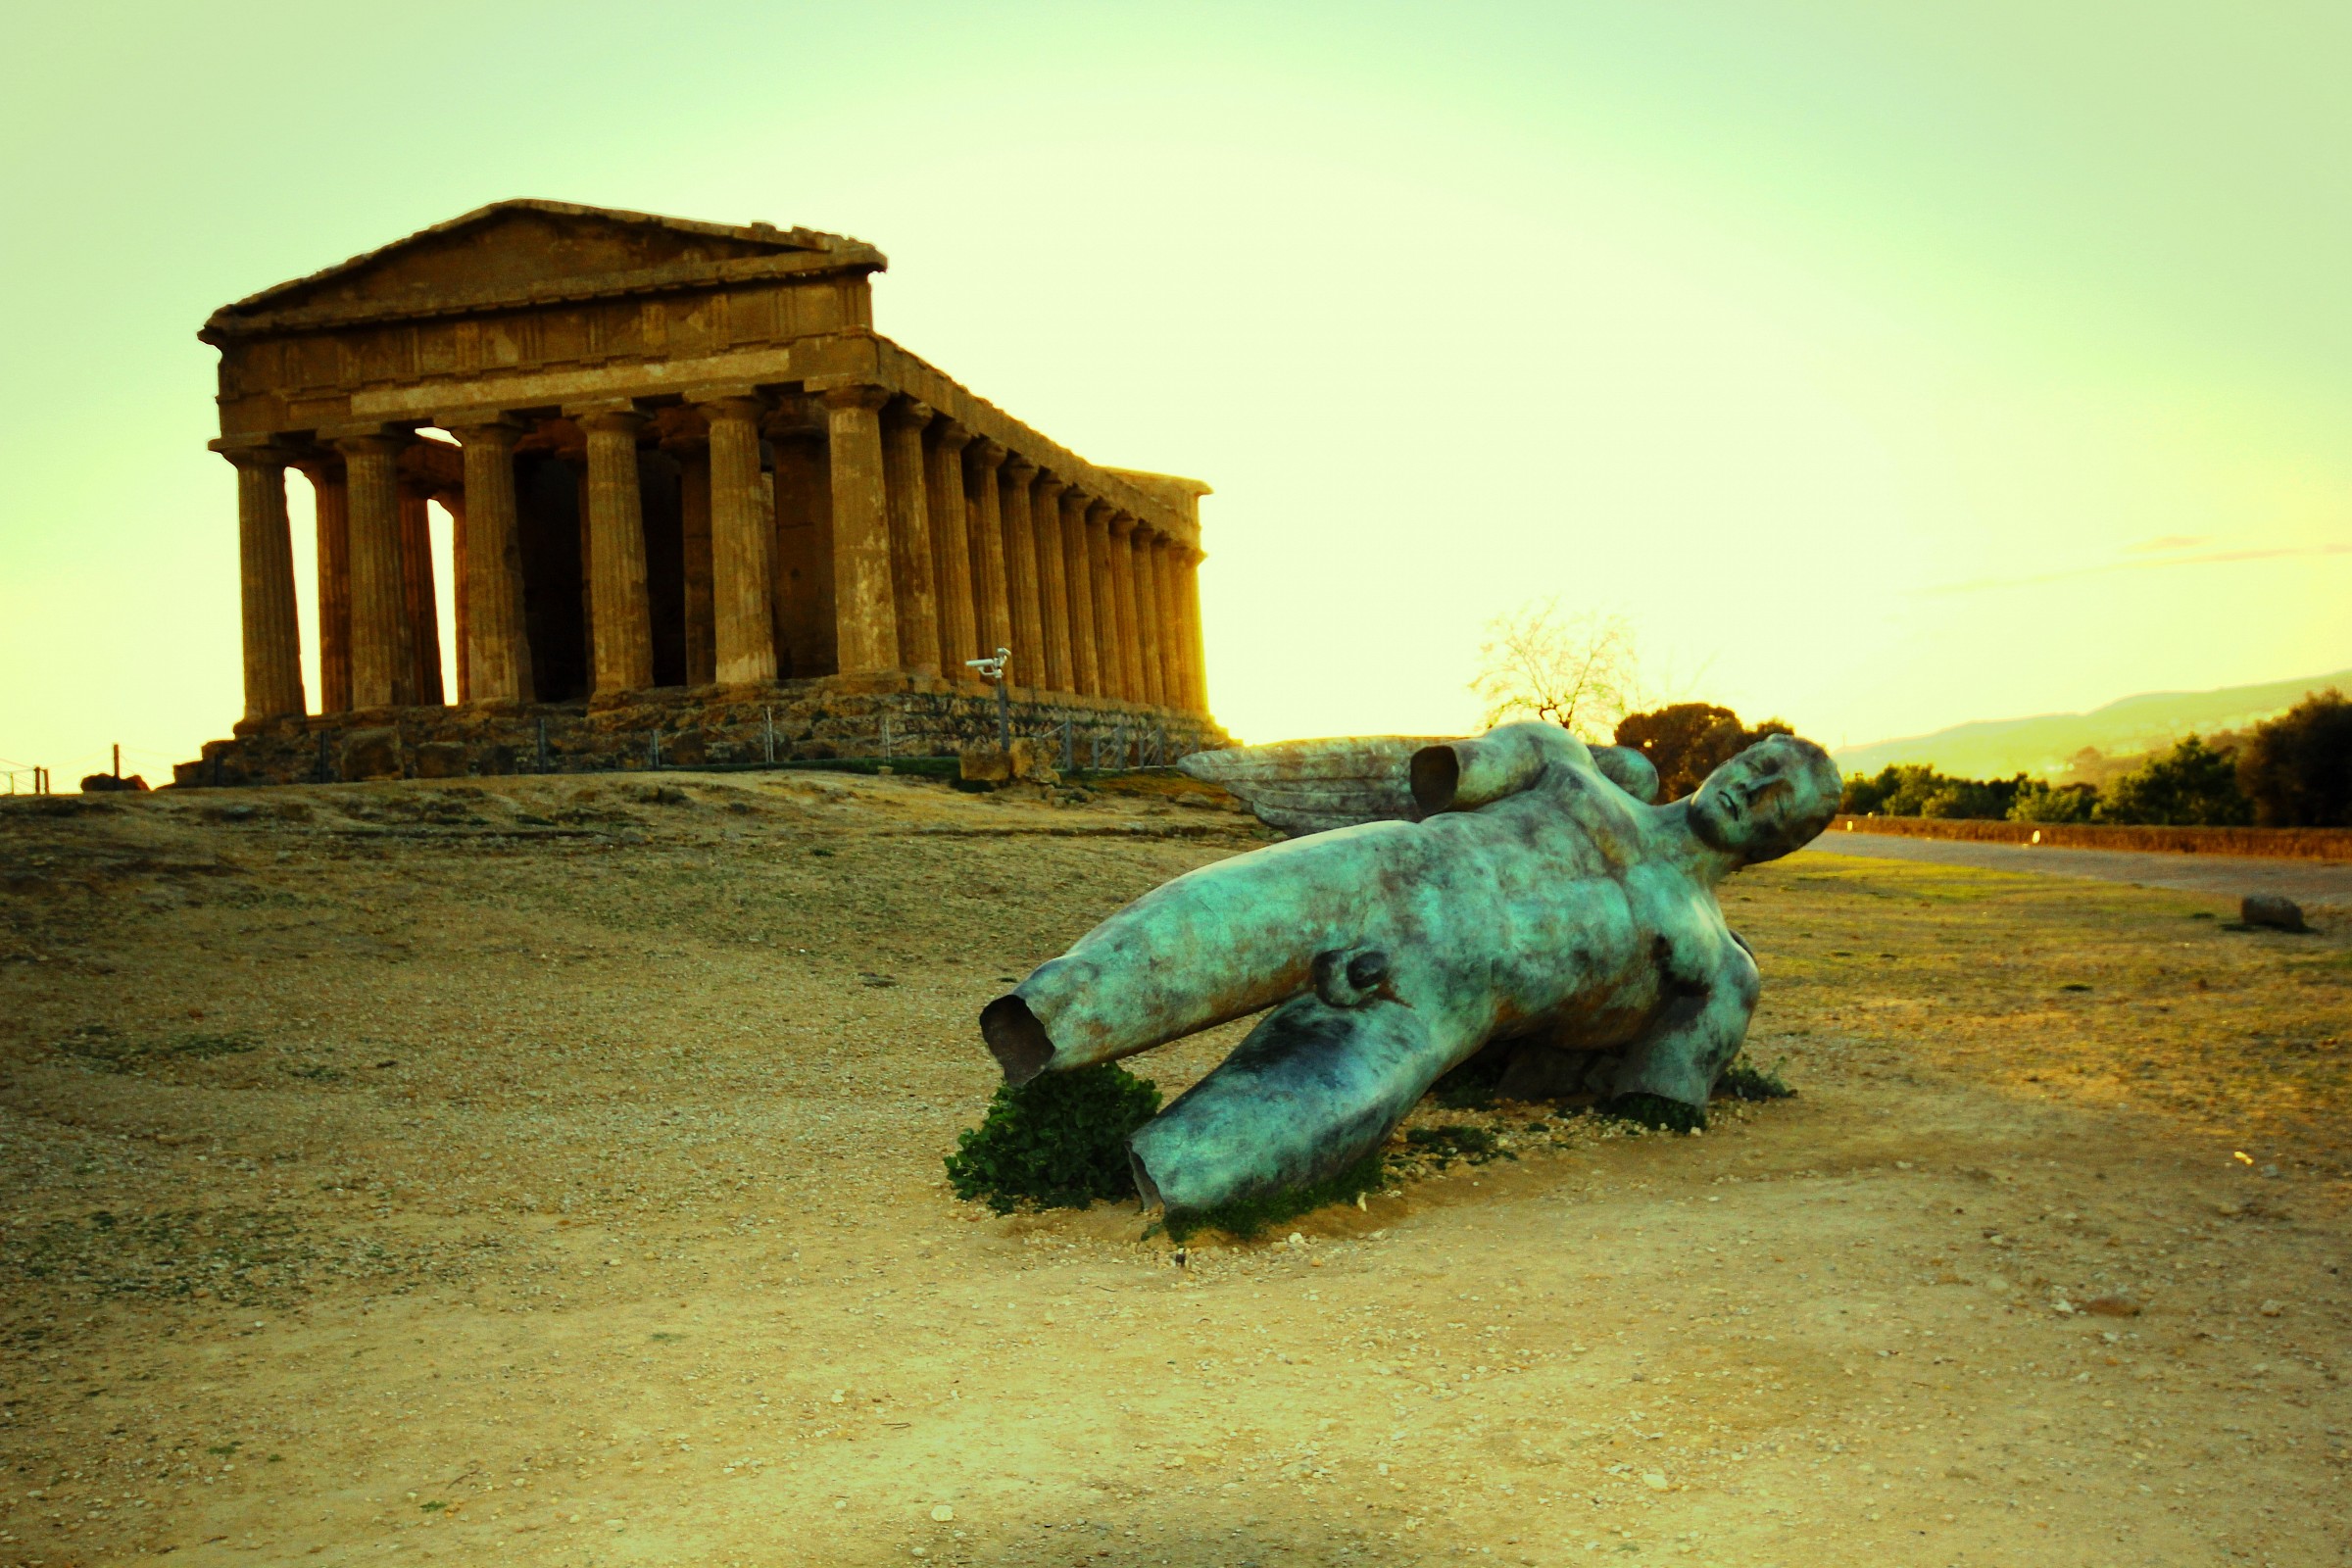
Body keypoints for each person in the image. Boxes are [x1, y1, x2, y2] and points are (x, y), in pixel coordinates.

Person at [980, 722, 1841, 1213]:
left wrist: (1629, 1031)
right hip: (1372, 873)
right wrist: (1494, 761)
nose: (1753, 791)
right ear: (1735, 756)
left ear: (1785, 843)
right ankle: (1044, 1030)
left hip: (1430, 1001)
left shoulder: (1717, 967)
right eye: (1759, 768)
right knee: (1192, 924)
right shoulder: (1569, 767)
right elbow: (1446, 776)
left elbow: (1659, 1095)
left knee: (1229, 1158)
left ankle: (1160, 1180)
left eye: (1780, 804)